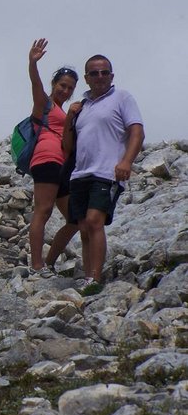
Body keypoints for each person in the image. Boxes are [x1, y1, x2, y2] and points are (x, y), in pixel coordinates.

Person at [63, 54, 144, 288]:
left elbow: (137, 132)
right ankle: (89, 278)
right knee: (84, 228)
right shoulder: (82, 107)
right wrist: (69, 117)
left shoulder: (122, 98)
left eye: (104, 72)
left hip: (107, 173)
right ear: (86, 78)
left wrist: (127, 162)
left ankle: (95, 278)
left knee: (94, 221)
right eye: (94, 73)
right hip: (80, 174)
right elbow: (68, 146)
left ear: (111, 75)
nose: (100, 77)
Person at [27, 39, 80, 277]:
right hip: (46, 158)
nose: (65, 91)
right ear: (54, 84)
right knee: (44, 210)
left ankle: (48, 263)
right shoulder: (45, 103)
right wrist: (32, 63)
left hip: (63, 165)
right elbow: (35, 84)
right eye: (62, 85)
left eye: (70, 88)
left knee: (75, 218)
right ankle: (37, 266)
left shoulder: (65, 110)